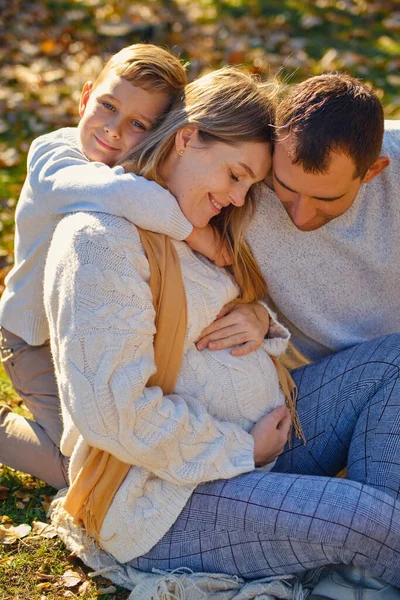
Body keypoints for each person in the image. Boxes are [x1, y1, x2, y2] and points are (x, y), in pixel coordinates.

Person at [44, 67, 400, 599]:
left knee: (392, 362)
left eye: (251, 184)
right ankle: (366, 537)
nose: (242, 200)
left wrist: (262, 320)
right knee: (372, 522)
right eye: (237, 177)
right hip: (169, 500)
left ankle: (365, 551)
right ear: (187, 139)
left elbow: (227, 319)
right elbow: (114, 413)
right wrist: (240, 450)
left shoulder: (204, 222)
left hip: (269, 434)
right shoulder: (99, 242)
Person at [0, 43, 232, 489]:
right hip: (33, 341)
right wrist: (194, 231)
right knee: (82, 476)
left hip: (89, 337)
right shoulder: (53, 155)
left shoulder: (137, 173)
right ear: (85, 97)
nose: (113, 129)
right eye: (107, 106)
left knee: (114, 450)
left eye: (138, 124)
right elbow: (116, 194)